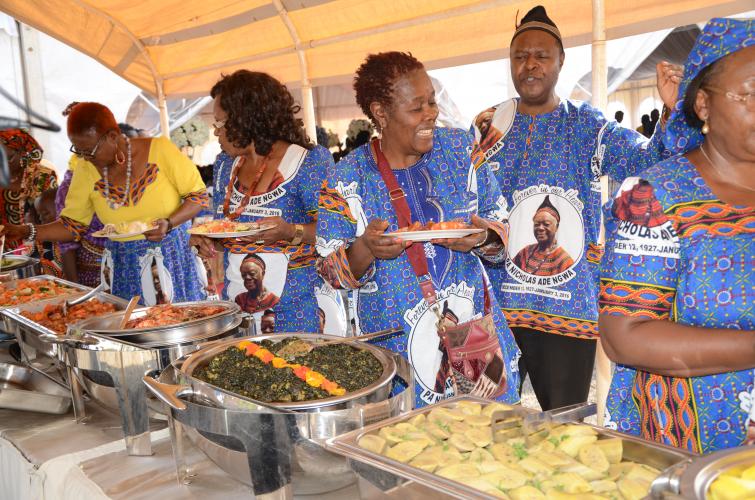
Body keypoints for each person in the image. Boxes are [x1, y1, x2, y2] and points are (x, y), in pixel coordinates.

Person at [469, 5, 683, 410]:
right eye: (520, 56)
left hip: (566, 308)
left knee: (563, 426)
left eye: (541, 55)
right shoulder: (488, 125)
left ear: (561, 61)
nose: (530, 65)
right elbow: (463, 193)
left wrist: (672, 112)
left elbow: (645, 162)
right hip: (494, 307)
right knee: (486, 420)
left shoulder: (586, 125)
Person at [316, 51, 520, 408]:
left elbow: (502, 227)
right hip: (396, 348)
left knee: (486, 429)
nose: (431, 114)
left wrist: (483, 237)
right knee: (413, 437)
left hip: (473, 333)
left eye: (432, 102)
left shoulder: (460, 151)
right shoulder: (346, 177)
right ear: (381, 112)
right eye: (416, 107)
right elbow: (330, 272)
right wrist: (366, 248)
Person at [600, 17, 754, 454]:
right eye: (752, 93)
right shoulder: (653, 196)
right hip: (691, 449)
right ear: (703, 105)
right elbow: (625, 335)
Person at [1, 102, 209, 304]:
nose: (86, 158)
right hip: (123, 266)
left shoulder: (160, 149)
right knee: (133, 325)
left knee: (180, 320)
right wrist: (26, 231)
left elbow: (198, 196)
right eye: (79, 151)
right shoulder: (85, 168)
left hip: (173, 258)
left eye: (90, 150)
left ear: (113, 136)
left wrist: (170, 223)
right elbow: (72, 226)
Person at [191, 70, 344, 334]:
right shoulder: (226, 165)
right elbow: (227, 230)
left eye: (221, 123)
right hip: (240, 311)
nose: (216, 132)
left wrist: (291, 231)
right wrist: (206, 240)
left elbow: (337, 230)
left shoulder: (307, 161)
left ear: (246, 118)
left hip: (299, 309)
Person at [0, 129, 58, 252]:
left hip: (39, 247)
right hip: (3, 249)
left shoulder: (42, 177)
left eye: (8, 158)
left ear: (22, 152)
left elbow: (54, 218)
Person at [55, 155, 106, 287]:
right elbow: (67, 242)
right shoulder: (69, 186)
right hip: (92, 275)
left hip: (134, 264)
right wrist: (75, 287)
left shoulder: (126, 173)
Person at [512, 195, 574, 276]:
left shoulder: (565, 261)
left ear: (557, 227)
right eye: (536, 224)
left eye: (546, 224)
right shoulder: (525, 252)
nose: (540, 228)